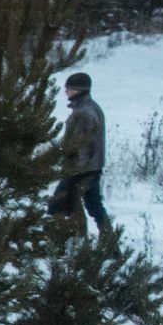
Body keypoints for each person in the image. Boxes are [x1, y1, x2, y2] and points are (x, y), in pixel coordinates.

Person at [48, 71, 112, 234]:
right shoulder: (92, 107)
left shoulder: (83, 113)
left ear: (78, 90)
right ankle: (109, 245)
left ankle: (59, 242)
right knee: (94, 207)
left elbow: (84, 145)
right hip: (92, 168)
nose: (66, 91)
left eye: (69, 88)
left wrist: (74, 171)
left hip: (81, 170)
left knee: (58, 205)